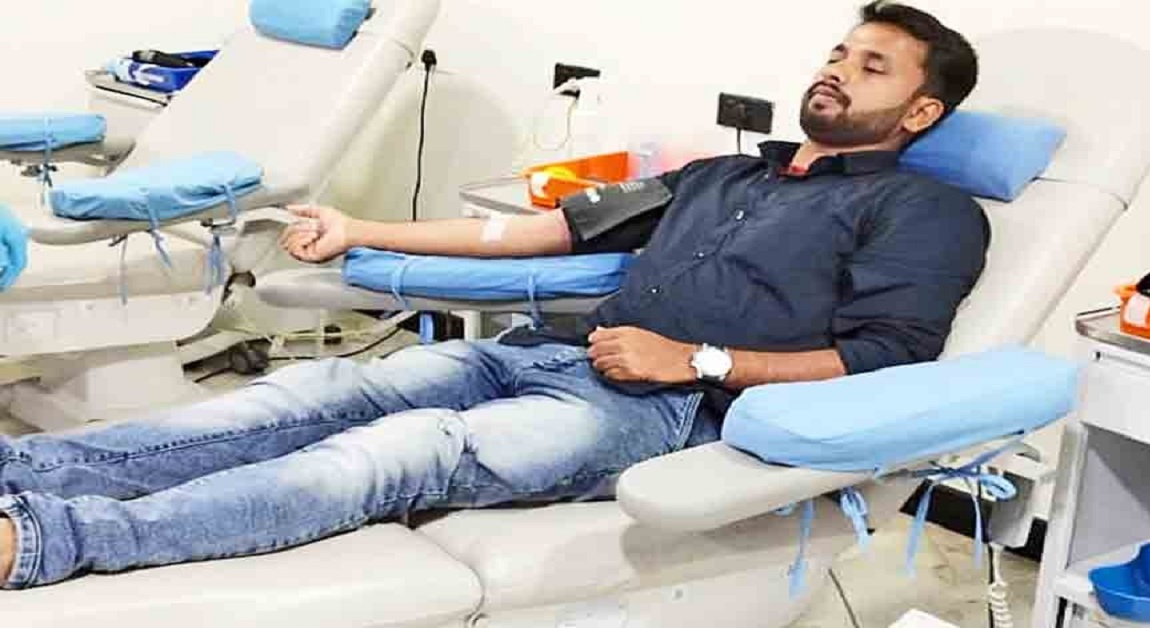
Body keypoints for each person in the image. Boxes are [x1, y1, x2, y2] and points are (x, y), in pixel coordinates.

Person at [0, 0, 988, 588]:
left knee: (395, 451)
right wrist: (358, 226)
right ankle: (22, 470)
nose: (836, 72)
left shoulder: (923, 210)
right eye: (838, 52)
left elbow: (887, 355)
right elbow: (531, 231)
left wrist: (698, 360)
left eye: (871, 67)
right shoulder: (723, 172)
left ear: (920, 109)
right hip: (543, 354)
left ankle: (47, 540)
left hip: (668, 411)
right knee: (308, 393)